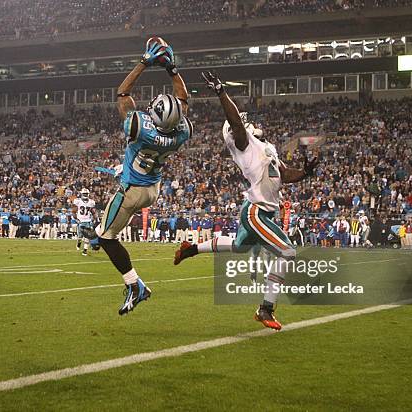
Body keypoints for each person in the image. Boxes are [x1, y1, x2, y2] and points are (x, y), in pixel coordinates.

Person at [173, 71, 317, 330]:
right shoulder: (244, 144)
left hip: (262, 211)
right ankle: (266, 308)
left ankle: (191, 249)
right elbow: (236, 124)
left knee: (239, 247)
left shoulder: (266, 148)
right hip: (257, 212)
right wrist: (221, 92)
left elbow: (284, 174)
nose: (247, 122)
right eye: (241, 122)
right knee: (287, 251)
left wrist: (305, 172)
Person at [85, 38, 192, 315]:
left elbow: (122, 94)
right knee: (103, 232)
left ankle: (135, 285)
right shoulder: (181, 133)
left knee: (108, 238)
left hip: (132, 190)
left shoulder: (139, 127)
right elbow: (183, 100)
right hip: (153, 188)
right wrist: (172, 70)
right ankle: (97, 236)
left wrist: (144, 63)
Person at [73, 188, 96, 255]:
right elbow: (74, 211)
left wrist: (94, 218)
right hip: (80, 221)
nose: (85, 195)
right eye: (84, 194)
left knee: (87, 236)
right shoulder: (78, 201)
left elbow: (93, 212)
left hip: (88, 221)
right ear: (82, 194)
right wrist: (76, 219)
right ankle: (79, 242)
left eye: (86, 194)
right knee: (80, 237)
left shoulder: (91, 202)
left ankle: (85, 250)